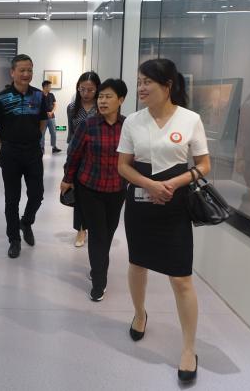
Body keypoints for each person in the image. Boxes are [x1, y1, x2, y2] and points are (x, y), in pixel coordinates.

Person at [117, 58, 210, 384]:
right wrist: (150, 185)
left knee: (181, 277)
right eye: (139, 81)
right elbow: (123, 166)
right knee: (137, 264)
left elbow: (203, 164)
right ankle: (139, 314)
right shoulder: (133, 122)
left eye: (147, 82)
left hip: (175, 203)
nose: (141, 88)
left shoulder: (190, 119)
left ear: (167, 85)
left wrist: (173, 183)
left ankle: (189, 349)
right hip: (141, 203)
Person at [61, 79, 127, 302]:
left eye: (108, 96)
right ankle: (99, 280)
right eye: (101, 97)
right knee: (98, 234)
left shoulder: (127, 126)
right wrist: (67, 179)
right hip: (90, 188)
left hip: (117, 189)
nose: (102, 101)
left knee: (108, 233)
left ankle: (97, 267)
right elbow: (74, 154)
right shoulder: (88, 125)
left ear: (121, 100)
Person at [0, 54, 47, 259]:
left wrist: (35, 139)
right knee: (12, 199)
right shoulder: (1, 98)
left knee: (37, 194)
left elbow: (43, 122)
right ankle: (14, 239)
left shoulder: (39, 96)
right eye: (22, 70)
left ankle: (26, 222)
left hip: (33, 152)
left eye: (29, 70)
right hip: (10, 153)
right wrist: (5, 144)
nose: (26, 74)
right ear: (12, 72)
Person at [66, 71, 101, 247]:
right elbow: (71, 134)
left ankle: (96, 227)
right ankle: (81, 229)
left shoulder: (102, 105)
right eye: (82, 89)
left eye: (90, 90)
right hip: (78, 156)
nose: (86, 93)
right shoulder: (72, 107)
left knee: (95, 195)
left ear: (97, 89)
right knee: (79, 195)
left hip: (98, 156)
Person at [40, 80, 61, 154]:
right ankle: (41, 147)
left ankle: (54, 147)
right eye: (49, 86)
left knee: (53, 132)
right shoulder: (39, 95)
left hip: (51, 117)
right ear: (45, 86)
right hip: (42, 118)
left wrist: (51, 112)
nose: (50, 87)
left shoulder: (51, 95)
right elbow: (37, 106)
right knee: (42, 133)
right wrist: (45, 113)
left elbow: (55, 105)